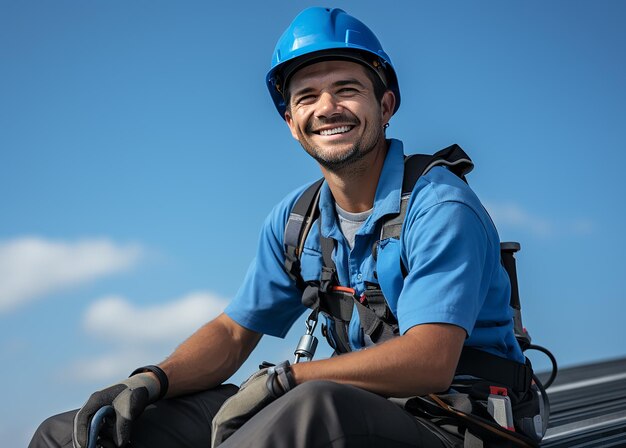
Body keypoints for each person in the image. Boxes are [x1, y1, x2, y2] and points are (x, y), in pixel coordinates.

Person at [30, 7, 542, 448]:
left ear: (385, 106)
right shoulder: (297, 220)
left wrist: (286, 380)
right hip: (353, 411)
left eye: (347, 89)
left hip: (459, 424)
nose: (327, 108)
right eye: (307, 97)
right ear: (290, 121)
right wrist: (152, 379)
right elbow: (233, 333)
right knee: (80, 430)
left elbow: (430, 359)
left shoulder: (440, 205)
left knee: (309, 408)